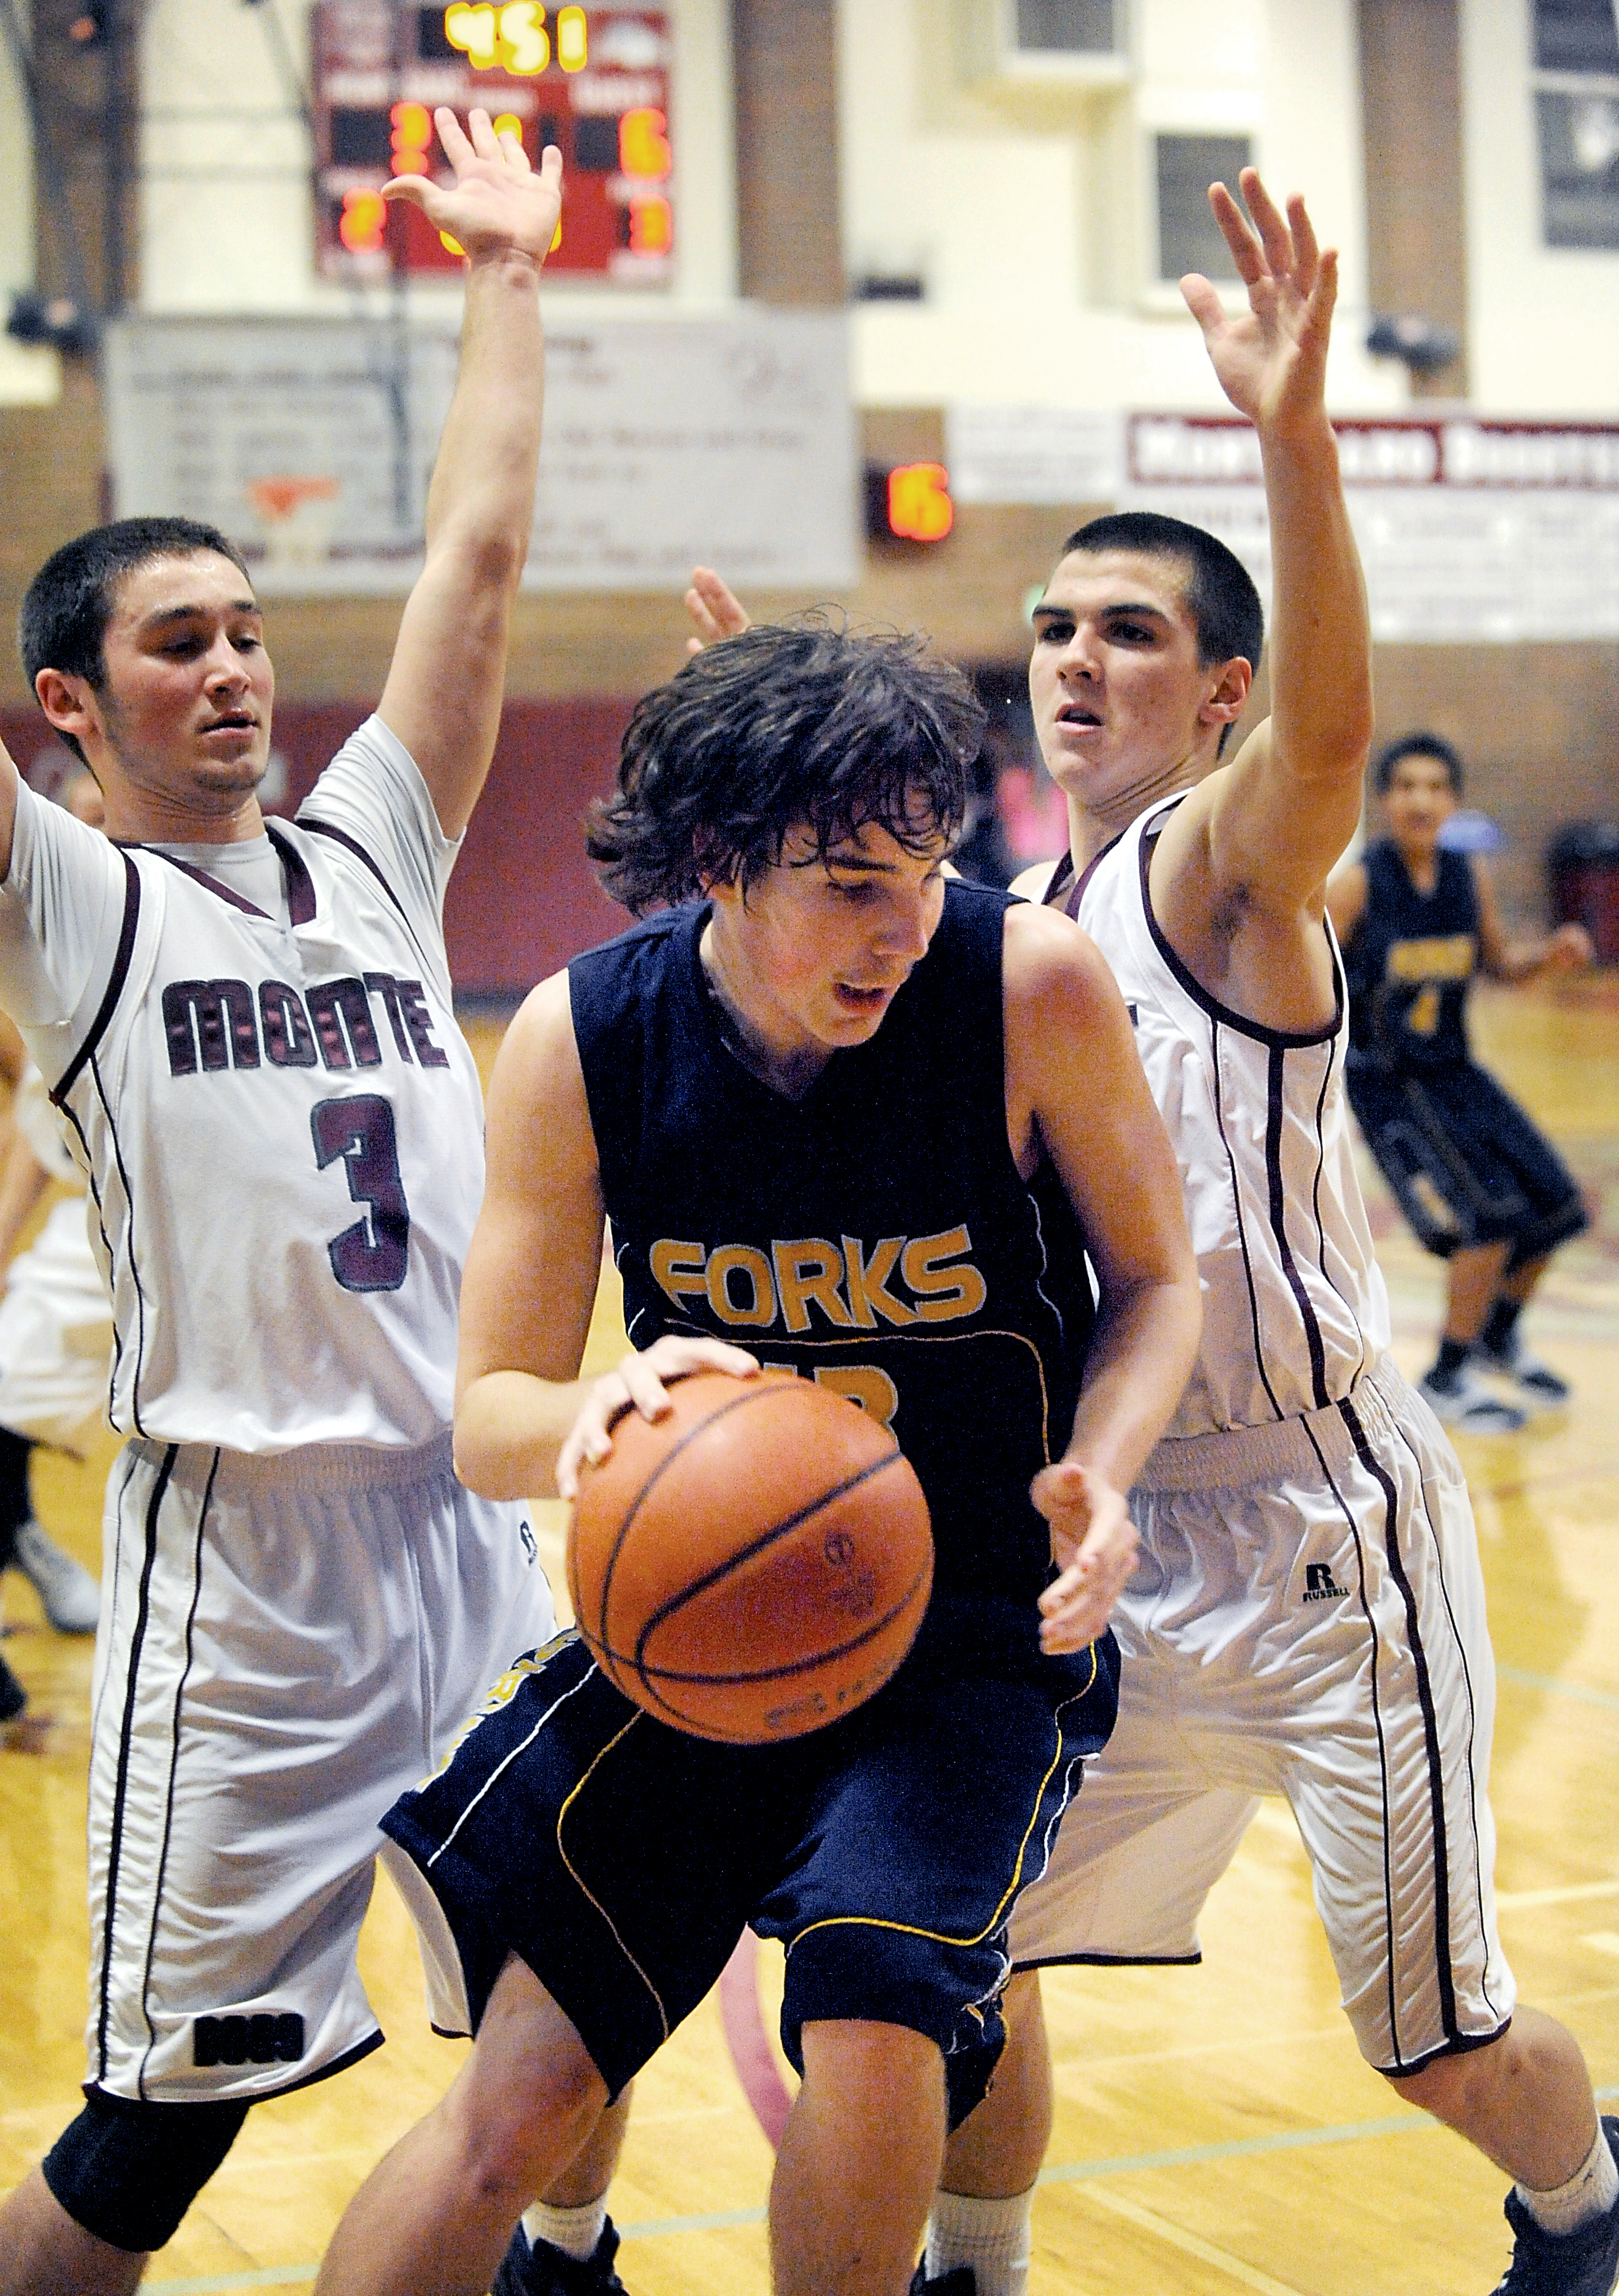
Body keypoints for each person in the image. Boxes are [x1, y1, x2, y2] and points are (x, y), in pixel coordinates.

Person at [692, 166, 1619, 2296]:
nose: (1076, 655)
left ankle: (1579, 2212)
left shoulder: (1221, 868)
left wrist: (1291, 440)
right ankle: (981, 2274)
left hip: (1326, 1541)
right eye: (1051, 624)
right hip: (1103, 1536)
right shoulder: (1017, 927)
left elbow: (1321, 747)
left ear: (1212, 699)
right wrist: (773, 770)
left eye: (1129, 630)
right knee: (958, 1958)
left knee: (1435, 2040)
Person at [308, 615, 1205, 2296]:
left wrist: (1102, 1462)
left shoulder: (1022, 987)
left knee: (878, 2022)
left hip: (960, 1638)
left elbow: (1156, 1280)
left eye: (924, 869)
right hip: (694, 1632)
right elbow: (489, 1411)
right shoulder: (586, 1037)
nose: (897, 924)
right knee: (511, 2108)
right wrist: (599, 1415)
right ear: (718, 864)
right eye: (848, 882)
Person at [0, 110, 621, 2296]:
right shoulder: (73, 910)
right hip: (248, 1592)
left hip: (471, 1525)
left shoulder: (369, 847)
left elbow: (470, 558)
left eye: (251, 632)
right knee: (150, 2145)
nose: (239, 671)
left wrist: (507, 271)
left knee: (578, 1983)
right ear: (71, 708)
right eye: (179, 645)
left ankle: (566, 2252)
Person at [1327, 733, 1592, 1436]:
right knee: (1486, 1221)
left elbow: (1500, 966)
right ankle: (1446, 1376)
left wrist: (1550, 956)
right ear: (1384, 799)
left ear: (1453, 800)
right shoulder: (1355, 883)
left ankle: (1498, 1339)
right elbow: (1303, 973)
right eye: (1406, 786)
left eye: (1436, 786)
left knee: (1560, 1208)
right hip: (1386, 1082)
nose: (1421, 799)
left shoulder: (1466, 875)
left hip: (1455, 1068)